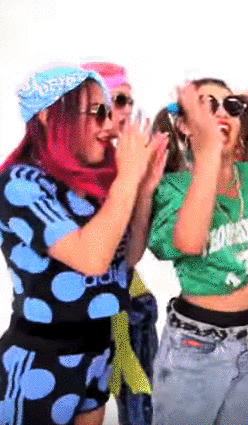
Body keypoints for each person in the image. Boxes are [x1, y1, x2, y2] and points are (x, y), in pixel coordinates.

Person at [0, 65, 166, 425]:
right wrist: (127, 179)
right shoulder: (21, 183)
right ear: (48, 116)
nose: (108, 125)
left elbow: (125, 259)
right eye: (96, 112)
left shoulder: (93, 186)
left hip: (96, 352)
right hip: (41, 359)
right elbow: (90, 258)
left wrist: (144, 190)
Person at [147, 77, 248, 425]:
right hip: (195, 347)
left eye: (231, 106)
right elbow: (189, 242)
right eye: (207, 105)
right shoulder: (173, 186)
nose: (222, 112)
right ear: (184, 124)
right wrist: (209, 155)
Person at [82, 60, 162, 425]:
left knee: (142, 411)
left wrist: (144, 190)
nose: (127, 110)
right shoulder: (52, 174)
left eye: (128, 100)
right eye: (117, 100)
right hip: (74, 318)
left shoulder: (124, 162)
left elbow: (129, 255)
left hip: (130, 304)